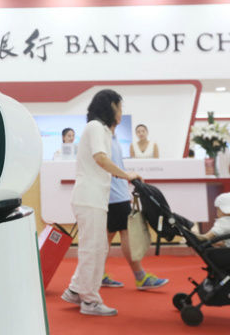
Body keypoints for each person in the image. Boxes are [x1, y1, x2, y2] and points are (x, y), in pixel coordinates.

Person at [61, 89, 141, 317]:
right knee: (93, 249)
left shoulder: (103, 131)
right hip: (89, 197)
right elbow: (101, 159)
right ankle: (90, 301)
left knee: (97, 247)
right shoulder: (95, 127)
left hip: (94, 198)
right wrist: (127, 175)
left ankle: (76, 290)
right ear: (110, 106)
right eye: (120, 106)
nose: (121, 111)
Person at [101, 122, 169, 290]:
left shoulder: (113, 137)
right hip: (114, 195)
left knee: (108, 236)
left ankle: (98, 274)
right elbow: (103, 163)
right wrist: (126, 178)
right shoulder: (104, 137)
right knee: (125, 232)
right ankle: (140, 277)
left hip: (117, 193)